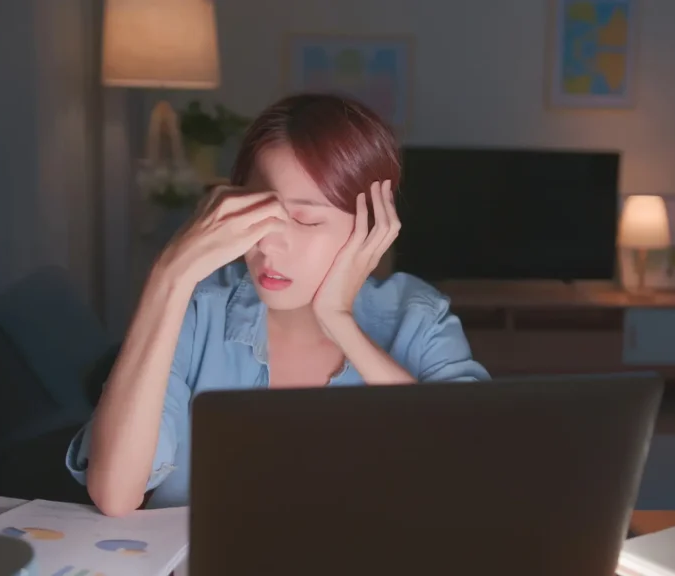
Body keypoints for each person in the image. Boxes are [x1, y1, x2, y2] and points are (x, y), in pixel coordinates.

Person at [66, 93, 490, 516]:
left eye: (306, 220)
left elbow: (471, 472)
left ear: (372, 229)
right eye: (257, 213)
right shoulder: (200, 311)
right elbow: (116, 494)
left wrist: (339, 322)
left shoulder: (418, 317)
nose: (269, 243)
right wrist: (168, 278)